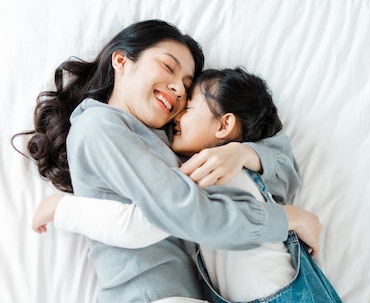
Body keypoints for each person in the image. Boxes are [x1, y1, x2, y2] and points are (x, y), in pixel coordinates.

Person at [14, 19, 322, 302]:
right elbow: (185, 212)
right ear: (121, 61)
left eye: (187, 88)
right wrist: (288, 219)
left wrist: (241, 152)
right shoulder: (100, 125)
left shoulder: (168, 140)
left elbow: (284, 169)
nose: (178, 89)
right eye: (167, 66)